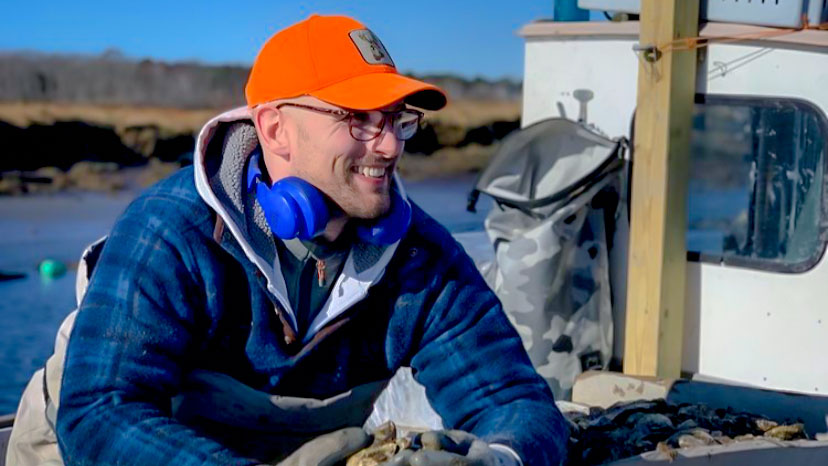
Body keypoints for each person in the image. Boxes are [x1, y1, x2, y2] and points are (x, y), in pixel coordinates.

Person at [41, 14, 567, 465]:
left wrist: (500, 459)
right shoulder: (169, 232)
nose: (387, 146)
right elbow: (98, 412)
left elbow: (514, 399)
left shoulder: (420, 259)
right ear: (274, 130)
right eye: (357, 119)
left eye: (396, 120)